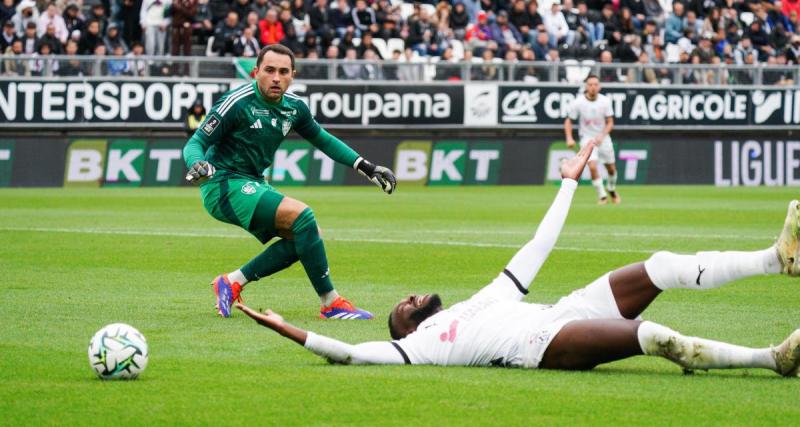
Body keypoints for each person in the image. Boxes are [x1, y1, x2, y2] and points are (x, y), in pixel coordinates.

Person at [236, 143, 800, 377]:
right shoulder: (421, 347)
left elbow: (538, 247)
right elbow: (351, 353)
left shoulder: (483, 299)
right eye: (404, 305)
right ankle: (769, 358)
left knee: (661, 265)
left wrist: (567, 185)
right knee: (651, 335)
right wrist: (287, 330)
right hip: (543, 347)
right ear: (407, 326)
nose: (411, 297)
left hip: (564, 309)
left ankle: (775, 259)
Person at [182, 44, 397, 320]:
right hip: (222, 184)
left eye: (283, 72)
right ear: (255, 72)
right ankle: (331, 303)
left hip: (253, 182)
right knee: (302, 216)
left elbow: (322, 138)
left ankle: (232, 281)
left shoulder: (294, 107)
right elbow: (196, 142)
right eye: (269, 70)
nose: (276, 77)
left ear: (292, 75)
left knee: (308, 236)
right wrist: (196, 163)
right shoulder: (236, 102)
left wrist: (365, 166)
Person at [564, 74, 620, 205]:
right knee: (592, 166)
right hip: (587, 139)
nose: (593, 87)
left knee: (611, 169)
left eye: (595, 84)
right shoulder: (578, 102)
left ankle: (611, 189)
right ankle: (602, 196)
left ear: (599, 86)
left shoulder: (605, 101)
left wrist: (602, 135)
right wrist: (569, 138)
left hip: (603, 138)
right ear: (586, 86)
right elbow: (568, 121)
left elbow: (610, 122)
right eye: (590, 85)